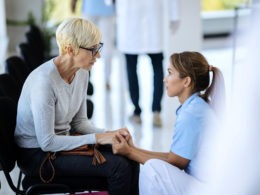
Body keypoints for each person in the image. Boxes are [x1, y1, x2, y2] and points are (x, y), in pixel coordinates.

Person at [14, 17, 139, 195]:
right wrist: (97, 138)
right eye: (93, 50)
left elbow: (80, 123)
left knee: (130, 157)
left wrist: (111, 134)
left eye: (98, 47)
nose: (99, 55)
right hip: (37, 156)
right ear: (69, 49)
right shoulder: (43, 82)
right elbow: (47, 142)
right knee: (118, 168)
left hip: (61, 144)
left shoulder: (81, 73)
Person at [112, 51, 225, 195]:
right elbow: (174, 157)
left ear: (186, 81)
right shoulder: (196, 106)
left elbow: (175, 163)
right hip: (206, 184)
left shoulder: (191, 113)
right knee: (153, 166)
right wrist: (133, 149)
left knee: (152, 169)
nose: (165, 79)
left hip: (209, 188)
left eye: (170, 73)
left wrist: (129, 152)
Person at [116, 0, 180, 126]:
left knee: (131, 70)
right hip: (153, 22)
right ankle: (156, 111)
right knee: (157, 70)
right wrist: (174, 16)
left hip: (130, 21)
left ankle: (137, 113)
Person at [71, 0, 116, 91]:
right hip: (107, 8)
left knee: (86, 44)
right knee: (107, 46)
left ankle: (85, 79)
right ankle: (107, 80)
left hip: (90, 7)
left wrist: (73, 2)